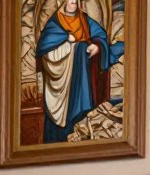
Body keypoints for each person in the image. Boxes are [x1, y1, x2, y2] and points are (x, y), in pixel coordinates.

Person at [36, 0, 123, 143]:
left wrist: (96, 46)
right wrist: (68, 43)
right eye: (71, 2)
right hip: (61, 82)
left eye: (76, 2)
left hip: (83, 78)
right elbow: (44, 49)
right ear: (61, 2)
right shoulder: (54, 24)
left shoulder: (84, 19)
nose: (74, 5)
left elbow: (100, 36)